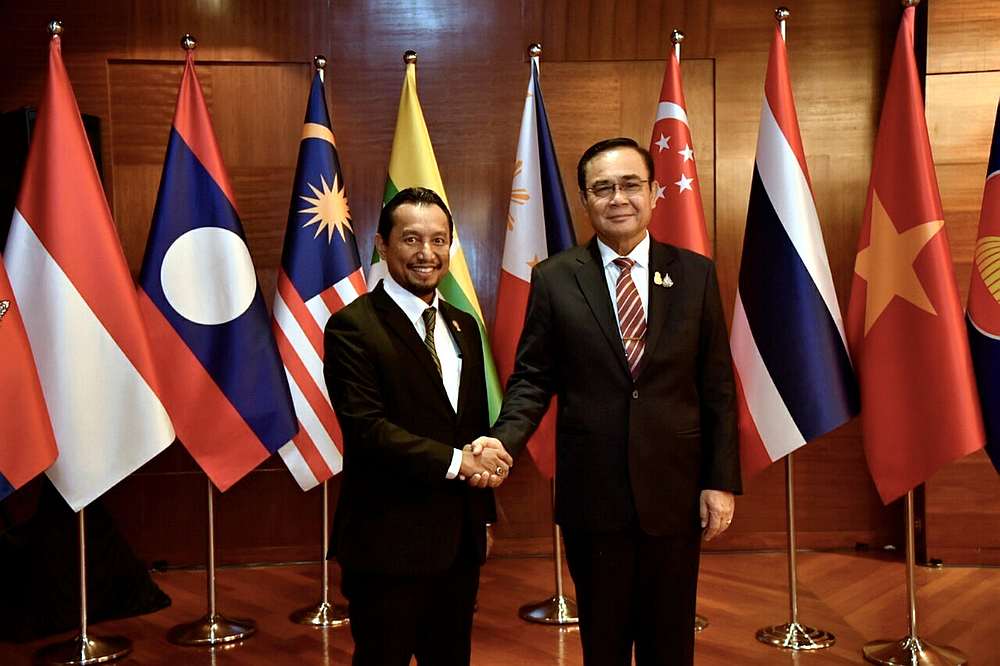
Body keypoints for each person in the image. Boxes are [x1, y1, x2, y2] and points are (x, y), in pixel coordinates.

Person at [488, 137, 741, 664]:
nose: (618, 197)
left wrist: (719, 481)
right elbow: (533, 378)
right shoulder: (555, 278)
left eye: (630, 184)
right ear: (585, 200)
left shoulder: (694, 274)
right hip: (593, 495)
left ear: (654, 192)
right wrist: (503, 440)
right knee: (603, 638)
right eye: (603, 188)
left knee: (669, 638)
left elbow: (715, 383)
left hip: (675, 490)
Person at [324, 186, 512, 666]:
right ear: (383, 246)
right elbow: (368, 429)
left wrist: (483, 514)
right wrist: (459, 463)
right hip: (388, 541)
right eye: (410, 240)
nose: (426, 254)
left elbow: (468, 425)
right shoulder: (352, 327)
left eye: (439, 240)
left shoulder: (463, 324)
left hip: (458, 542)